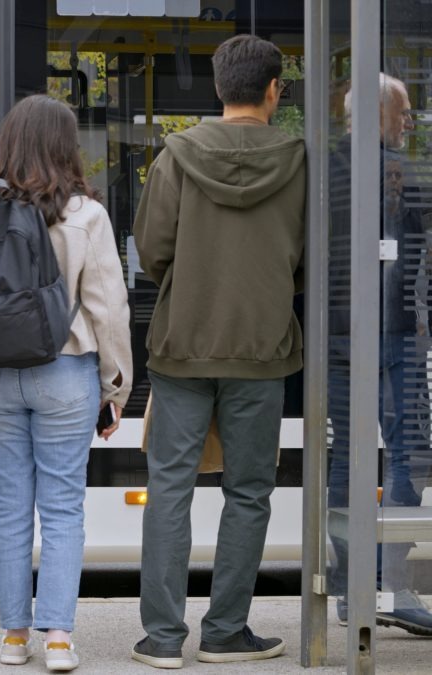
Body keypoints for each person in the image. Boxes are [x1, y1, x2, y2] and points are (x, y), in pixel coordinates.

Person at [131, 34, 306, 668]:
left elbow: (152, 251)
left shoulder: (175, 156)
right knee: (249, 493)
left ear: (218, 87)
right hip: (261, 349)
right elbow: (308, 259)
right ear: (274, 90)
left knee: (169, 489)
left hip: (182, 345)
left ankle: (162, 639)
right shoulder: (299, 162)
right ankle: (226, 632)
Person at [0, 94, 132, 671]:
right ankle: (58, 637)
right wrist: (115, 388)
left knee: (8, 505)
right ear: (67, 146)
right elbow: (108, 309)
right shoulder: (85, 214)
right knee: (62, 506)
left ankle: (14, 636)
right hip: (64, 370)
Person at [327, 73, 432, 636]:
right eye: (404, 111)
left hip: (337, 334)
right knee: (407, 454)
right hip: (391, 333)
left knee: (347, 456)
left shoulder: (325, 169)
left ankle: (351, 587)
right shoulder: (401, 170)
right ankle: (391, 585)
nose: (409, 120)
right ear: (377, 113)